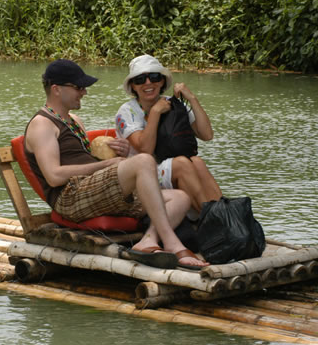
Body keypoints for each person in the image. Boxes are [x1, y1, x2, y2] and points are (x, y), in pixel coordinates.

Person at [24, 59, 207, 269]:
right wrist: (107, 165)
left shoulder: (74, 120)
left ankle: (148, 241)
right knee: (144, 160)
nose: (84, 92)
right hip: (71, 198)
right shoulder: (42, 124)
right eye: (79, 87)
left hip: (92, 191)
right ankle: (173, 244)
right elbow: (54, 176)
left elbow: (84, 159)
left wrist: (120, 152)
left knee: (180, 197)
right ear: (56, 89)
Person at [115, 54, 222, 214]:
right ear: (133, 86)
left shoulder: (172, 105)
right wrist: (156, 112)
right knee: (182, 163)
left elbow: (207, 135)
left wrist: (192, 99)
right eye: (140, 80)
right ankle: (212, 217)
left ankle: (224, 212)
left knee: (196, 161)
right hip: (142, 176)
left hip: (169, 169)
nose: (148, 83)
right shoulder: (127, 111)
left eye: (154, 77)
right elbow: (145, 150)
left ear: (162, 81)